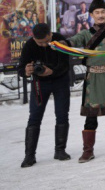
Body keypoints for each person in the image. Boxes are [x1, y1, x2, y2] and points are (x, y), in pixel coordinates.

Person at [65, 0, 105, 163]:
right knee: (90, 117)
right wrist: (64, 43)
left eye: (103, 12)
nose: (100, 15)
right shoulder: (85, 34)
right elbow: (75, 41)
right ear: (91, 15)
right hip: (92, 79)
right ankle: (88, 150)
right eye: (97, 12)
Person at [18, 23, 71, 167]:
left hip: (60, 81)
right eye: (39, 42)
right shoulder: (29, 45)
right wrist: (26, 71)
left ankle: (60, 150)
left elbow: (66, 64)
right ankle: (29, 155)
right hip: (39, 84)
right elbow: (21, 67)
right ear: (33, 38)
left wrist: (52, 71)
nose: (42, 45)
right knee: (34, 117)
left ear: (50, 34)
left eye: (45, 42)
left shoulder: (60, 40)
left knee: (62, 114)